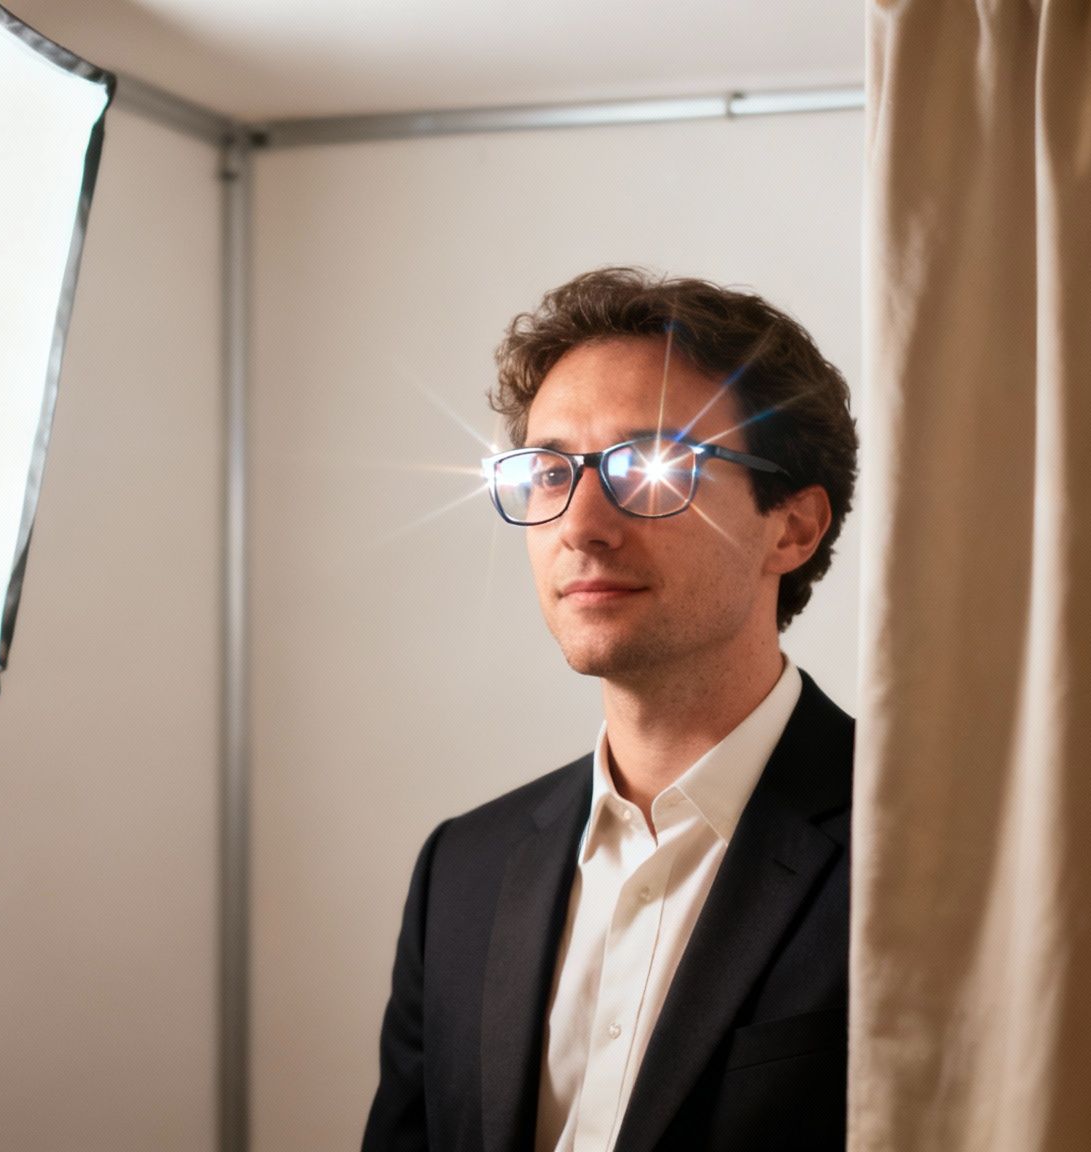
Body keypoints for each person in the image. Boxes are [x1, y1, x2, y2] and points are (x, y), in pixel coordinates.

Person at [361, 267, 860, 1152]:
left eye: (654, 465)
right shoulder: (461, 872)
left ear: (792, 527)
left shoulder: (929, 856)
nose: (581, 521)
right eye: (548, 469)